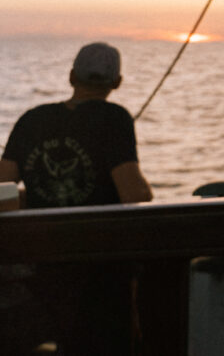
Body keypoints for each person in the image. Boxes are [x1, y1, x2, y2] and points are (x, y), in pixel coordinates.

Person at [0, 42, 153, 355]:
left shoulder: (33, 119)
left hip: (42, 263)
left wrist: (45, 191)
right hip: (99, 268)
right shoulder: (114, 118)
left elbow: (3, 184)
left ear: (71, 77)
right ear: (117, 83)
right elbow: (134, 193)